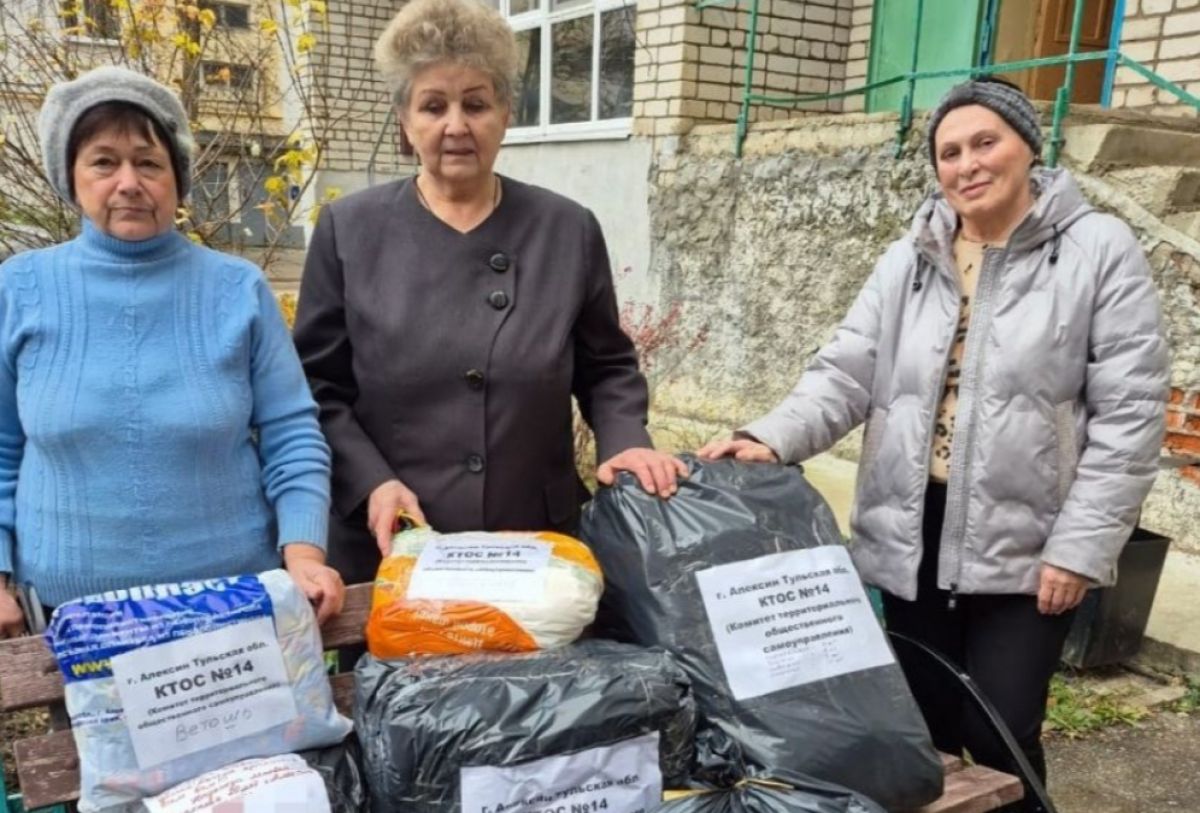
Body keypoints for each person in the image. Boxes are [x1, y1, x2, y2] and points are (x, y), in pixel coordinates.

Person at [699, 78, 1168, 796]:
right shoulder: (911, 256)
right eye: (949, 152)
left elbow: (1130, 415)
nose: (967, 164)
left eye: (986, 142)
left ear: (1027, 147)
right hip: (913, 527)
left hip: (1030, 539)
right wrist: (770, 436)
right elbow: (846, 371)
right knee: (925, 728)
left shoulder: (1097, 250)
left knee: (999, 728)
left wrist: (1081, 547)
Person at [293, 0, 684, 584]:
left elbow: (607, 367)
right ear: (404, 119)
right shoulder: (349, 230)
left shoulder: (566, 228)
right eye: (433, 105)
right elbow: (318, 389)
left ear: (506, 113)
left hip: (534, 545)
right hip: (397, 543)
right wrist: (371, 482)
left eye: (476, 103)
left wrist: (624, 441)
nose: (456, 125)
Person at [0, 66, 343, 637]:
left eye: (149, 162)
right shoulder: (19, 288)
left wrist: (304, 554)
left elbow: (292, 433)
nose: (129, 182)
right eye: (104, 161)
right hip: (77, 623)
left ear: (178, 179)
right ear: (72, 175)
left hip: (232, 609)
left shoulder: (238, 289)